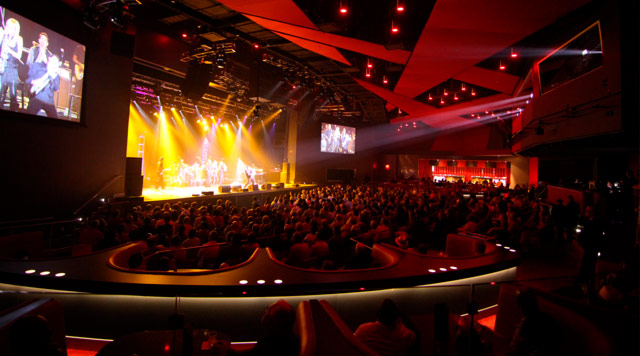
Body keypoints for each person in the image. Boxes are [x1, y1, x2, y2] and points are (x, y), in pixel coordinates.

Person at [25, 32, 60, 118]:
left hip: (48, 100)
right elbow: (28, 74)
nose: (43, 41)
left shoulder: (50, 56)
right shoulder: (34, 51)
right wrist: (34, 81)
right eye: (42, 39)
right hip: (36, 93)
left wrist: (54, 75)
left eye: (45, 40)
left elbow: (56, 88)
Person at [0, 18, 23, 111]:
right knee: (0, 92)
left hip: (12, 69)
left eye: (10, 26)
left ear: (15, 29)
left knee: (13, 95)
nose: (7, 28)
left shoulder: (19, 39)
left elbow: (19, 55)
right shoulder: (3, 36)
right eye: (7, 25)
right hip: (2, 67)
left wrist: (9, 50)